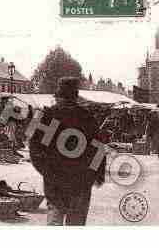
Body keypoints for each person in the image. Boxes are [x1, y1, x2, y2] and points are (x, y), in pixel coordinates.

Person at [29, 77, 105, 226]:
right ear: (76, 96)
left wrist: (47, 171)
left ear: (57, 96)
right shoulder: (88, 117)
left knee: (55, 220)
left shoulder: (44, 116)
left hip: (55, 181)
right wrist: (96, 176)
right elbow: (99, 149)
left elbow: (34, 152)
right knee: (76, 223)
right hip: (81, 181)